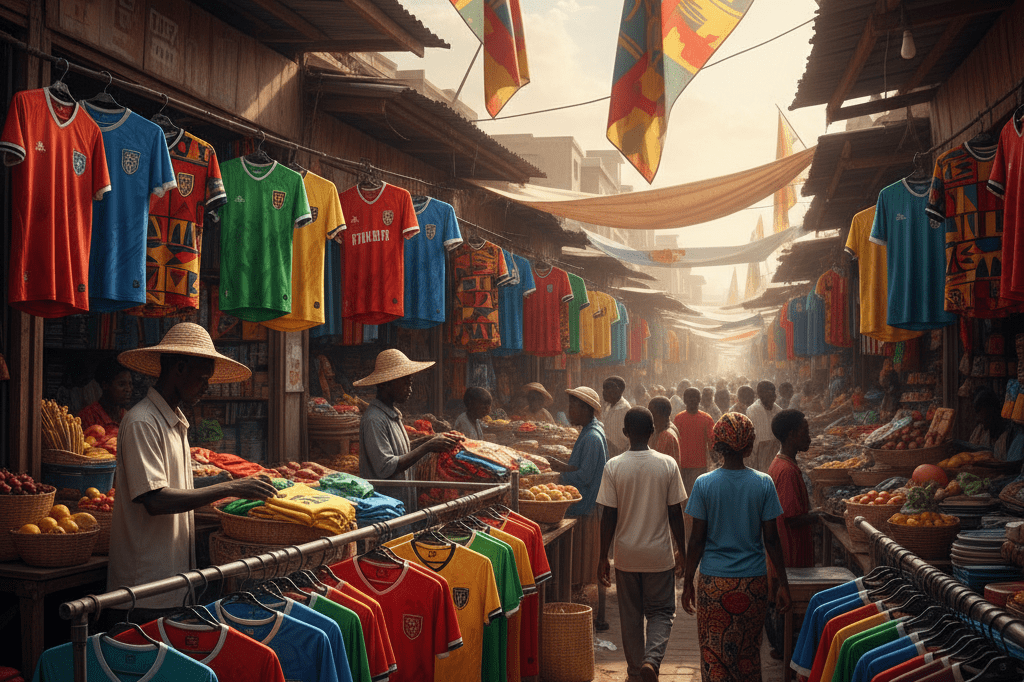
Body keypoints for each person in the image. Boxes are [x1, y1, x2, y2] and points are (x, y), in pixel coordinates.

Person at [108, 323, 279, 618]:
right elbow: (155, 500)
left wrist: (227, 482)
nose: (206, 387)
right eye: (202, 378)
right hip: (142, 589)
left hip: (172, 582)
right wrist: (230, 488)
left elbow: (180, 488)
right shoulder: (142, 422)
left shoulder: (175, 423)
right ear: (180, 368)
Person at [681, 413, 791, 682]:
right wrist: (784, 585)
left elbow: (696, 540)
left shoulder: (704, 484)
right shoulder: (763, 483)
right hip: (753, 584)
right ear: (750, 446)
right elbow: (772, 539)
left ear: (717, 444)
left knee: (713, 655)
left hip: (714, 584)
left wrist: (687, 582)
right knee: (748, 655)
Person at [597, 407, 687, 682]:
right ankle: (652, 660)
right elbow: (676, 513)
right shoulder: (667, 464)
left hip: (626, 556)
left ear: (625, 433)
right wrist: (682, 551)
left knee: (631, 616)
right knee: (661, 612)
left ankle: (636, 670)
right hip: (659, 556)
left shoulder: (614, 466)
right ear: (652, 432)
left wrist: (603, 556)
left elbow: (608, 515)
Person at [355, 349, 460, 512]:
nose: (410, 389)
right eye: (406, 383)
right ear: (385, 384)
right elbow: (386, 467)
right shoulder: (374, 419)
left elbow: (400, 451)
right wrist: (428, 446)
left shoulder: (392, 414)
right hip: (383, 510)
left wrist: (431, 439)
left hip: (400, 503)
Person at [549, 387, 608, 629]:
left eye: (573, 407)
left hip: (585, 506)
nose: (569, 411)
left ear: (586, 409)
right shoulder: (588, 431)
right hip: (584, 504)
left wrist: (559, 475)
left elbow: (583, 476)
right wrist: (559, 465)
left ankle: (590, 615)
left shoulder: (593, 437)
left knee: (585, 567)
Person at [768, 410, 818, 568]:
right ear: (791, 435)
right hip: (792, 555)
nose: (809, 438)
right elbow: (792, 518)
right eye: (805, 432)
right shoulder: (787, 471)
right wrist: (821, 516)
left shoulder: (781, 463)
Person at [78, 357, 133, 439]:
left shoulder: (127, 416)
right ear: (105, 385)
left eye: (130, 384)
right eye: (121, 384)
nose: (128, 389)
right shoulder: (88, 416)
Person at [672, 388, 714, 495]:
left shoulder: (706, 419)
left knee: (697, 495)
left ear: (699, 399)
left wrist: (714, 459)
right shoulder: (678, 419)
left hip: (700, 466)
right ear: (684, 400)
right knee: (685, 495)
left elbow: (711, 441)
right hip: (682, 466)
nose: (692, 400)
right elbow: (674, 441)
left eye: (695, 397)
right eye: (689, 397)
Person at [970, 387, 1024, 462]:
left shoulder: (1010, 436)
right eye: (977, 413)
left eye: (986, 417)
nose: (978, 419)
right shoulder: (980, 431)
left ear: (993, 411)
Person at [746, 381, 782, 473]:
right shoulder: (754, 410)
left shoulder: (778, 410)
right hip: (759, 457)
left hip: (775, 456)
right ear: (760, 395)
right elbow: (760, 441)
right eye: (769, 394)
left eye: (773, 394)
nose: (773, 397)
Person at [602, 375, 632, 458]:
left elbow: (621, 442)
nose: (603, 392)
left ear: (617, 391)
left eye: (607, 389)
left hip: (618, 456)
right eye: (603, 389)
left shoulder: (624, 409)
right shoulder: (609, 406)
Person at [648, 397, 680, 466]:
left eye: (651, 412)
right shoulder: (660, 430)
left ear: (662, 414)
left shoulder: (667, 435)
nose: (649, 415)